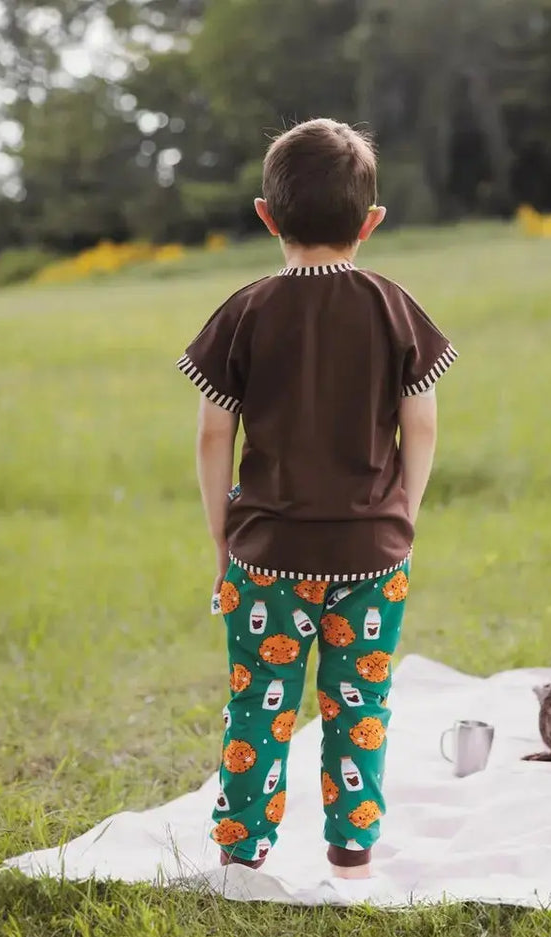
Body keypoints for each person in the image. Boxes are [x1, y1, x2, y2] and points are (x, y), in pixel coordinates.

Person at [177, 118, 455, 879]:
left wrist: (222, 540)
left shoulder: (245, 310)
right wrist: (403, 513)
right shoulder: (393, 306)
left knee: (259, 705)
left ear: (266, 216)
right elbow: (420, 424)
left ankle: (241, 853)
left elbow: (212, 438)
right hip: (373, 552)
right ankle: (352, 850)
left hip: (265, 555)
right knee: (359, 703)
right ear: (371, 223)